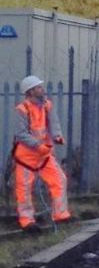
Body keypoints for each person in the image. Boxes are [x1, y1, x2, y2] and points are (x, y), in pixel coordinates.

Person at [11, 75, 72, 231]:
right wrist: (39, 146)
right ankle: (27, 221)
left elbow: (54, 123)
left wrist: (57, 136)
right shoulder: (22, 110)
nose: (42, 89)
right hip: (26, 158)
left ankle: (61, 214)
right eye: (38, 87)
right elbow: (21, 134)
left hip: (44, 155)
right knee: (24, 190)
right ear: (30, 91)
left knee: (59, 180)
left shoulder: (47, 106)